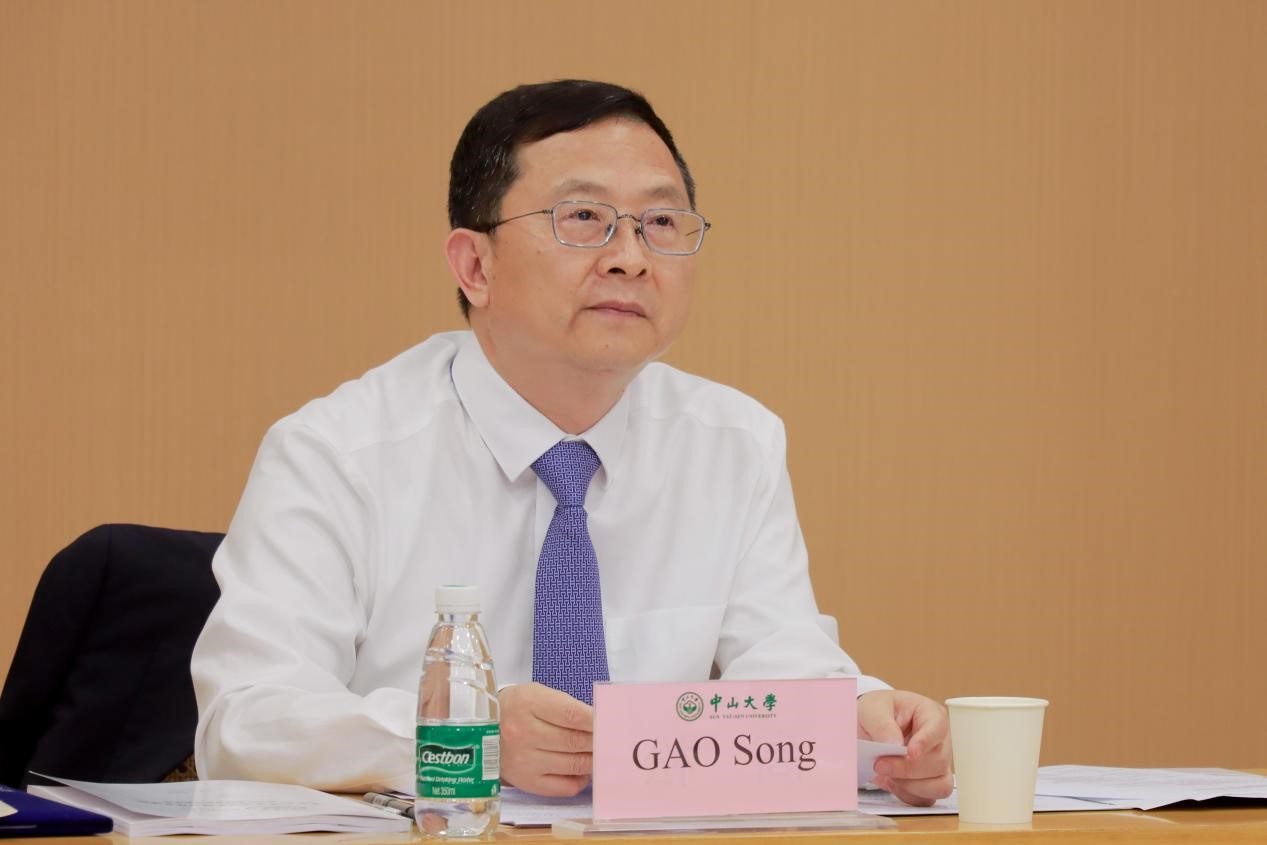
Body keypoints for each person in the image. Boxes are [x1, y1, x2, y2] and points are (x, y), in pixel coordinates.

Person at [191, 79, 952, 807]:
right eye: (583, 217)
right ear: (475, 265)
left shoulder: (733, 443)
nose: (631, 257)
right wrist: (464, 735)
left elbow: (784, 668)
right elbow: (244, 722)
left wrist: (861, 723)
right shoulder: (336, 454)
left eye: (661, 223)